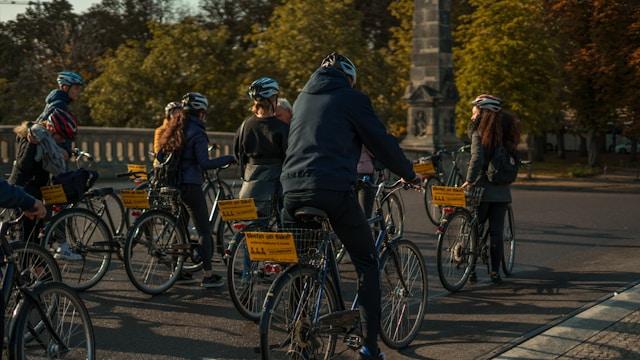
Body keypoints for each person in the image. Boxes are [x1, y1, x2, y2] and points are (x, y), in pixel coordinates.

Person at [280, 52, 420, 360]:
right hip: (331, 188)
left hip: (290, 189)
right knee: (367, 264)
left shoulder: (302, 98)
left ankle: (297, 328)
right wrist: (409, 173)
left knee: (299, 262)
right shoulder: (351, 98)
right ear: (349, 78)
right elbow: (380, 141)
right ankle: (370, 347)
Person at [156, 92, 234, 289]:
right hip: (190, 185)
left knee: (179, 227)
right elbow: (204, 163)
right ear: (201, 113)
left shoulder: (174, 129)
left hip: (173, 184)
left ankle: (177, 270)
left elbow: (159, 154)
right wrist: (228, 158)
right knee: (204, 230)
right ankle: (208, 275)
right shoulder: (197, 132)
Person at [462, 94, 520, 284]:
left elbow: (477, 158)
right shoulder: (507, 133)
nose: (473, 116)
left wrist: (469, 180)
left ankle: (470, 270)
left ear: (483, 112)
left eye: (475, 112)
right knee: (496, 232)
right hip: (502, 192)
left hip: (482, 190)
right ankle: (495, 272)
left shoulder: (480, 133)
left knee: (475, 228)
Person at [9, 109, 79, 259]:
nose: (63, 141)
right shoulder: (34, 136)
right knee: (28, 241)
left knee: (36, 241)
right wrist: (31, 144)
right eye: (61, 137)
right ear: (51, 129)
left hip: (37, 191)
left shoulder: (47, 141)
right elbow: (23, 166)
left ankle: (40, 276)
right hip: (23, 191)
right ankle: (25, 277)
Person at [234, 77, 289, 218]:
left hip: (249, 185)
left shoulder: (245, 125)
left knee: (252, 225)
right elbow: (289, 158)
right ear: (273, 99)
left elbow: (237, 154)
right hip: (274, 188)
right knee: (283, 223)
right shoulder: (282, 128)